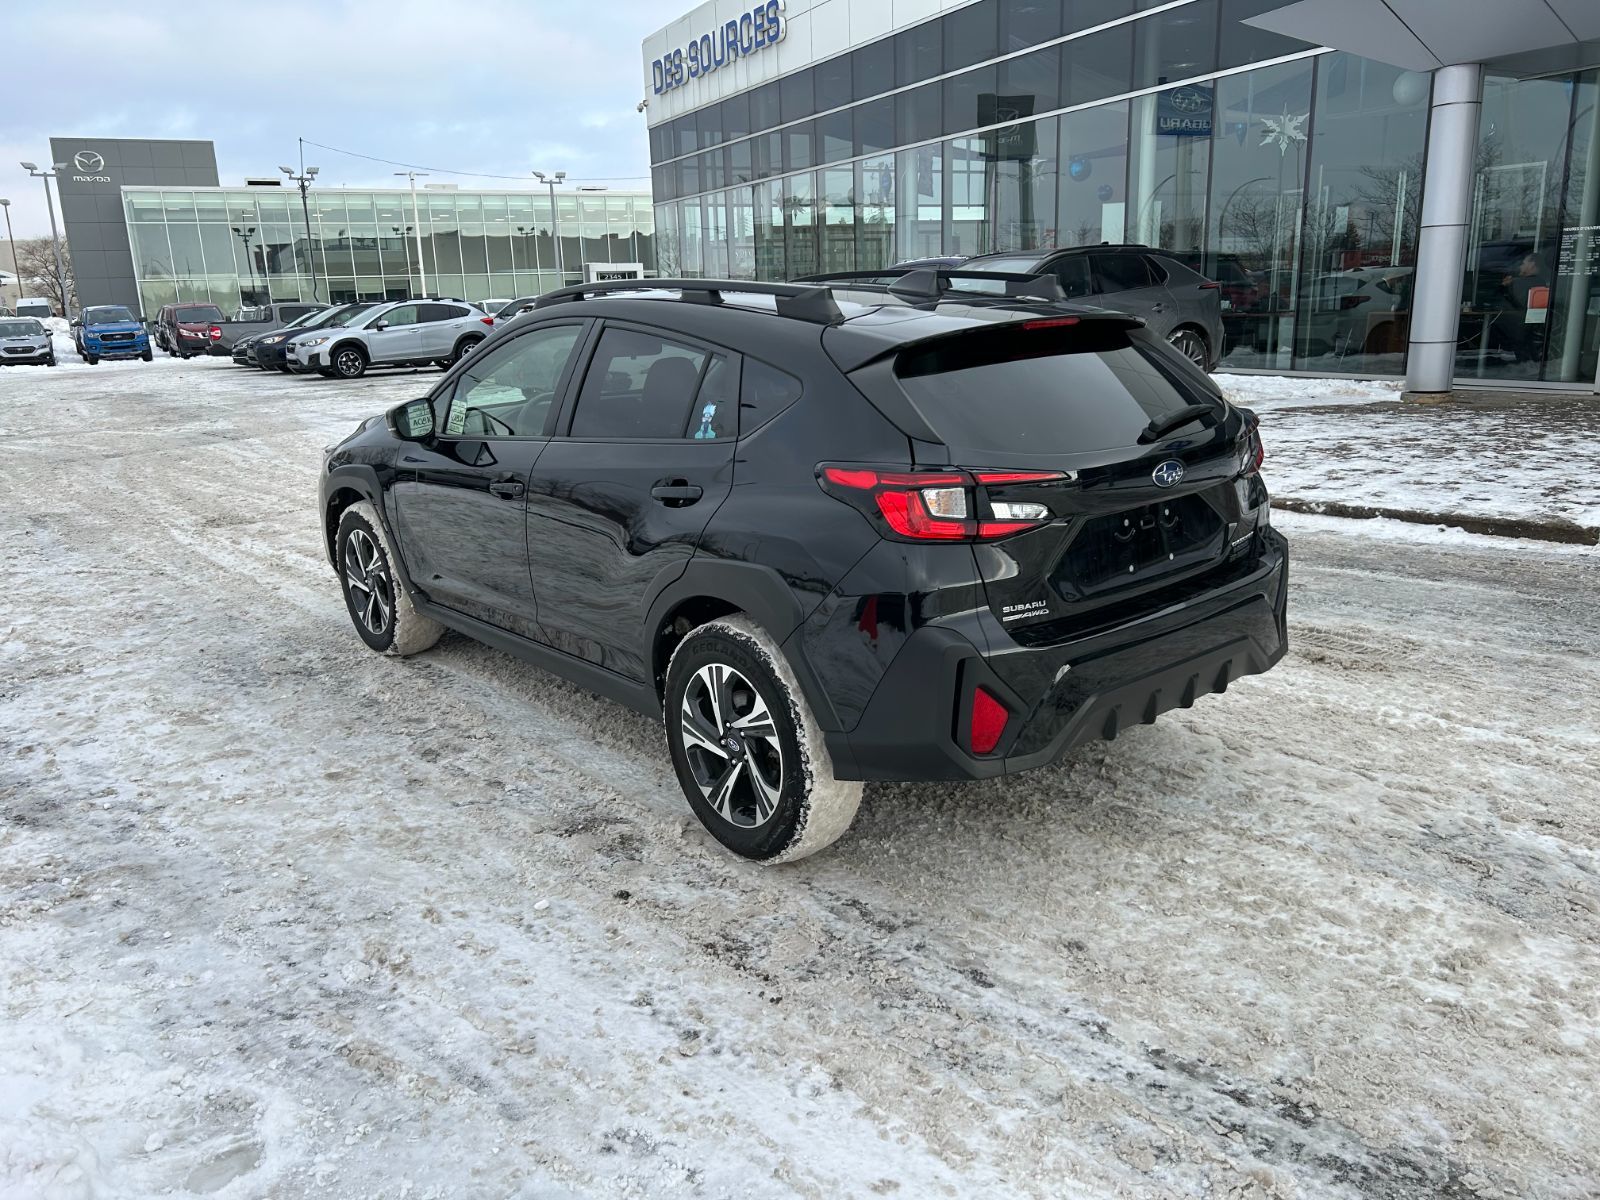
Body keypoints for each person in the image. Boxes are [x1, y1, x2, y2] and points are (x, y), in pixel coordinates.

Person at [1497, 253, 1548, 363]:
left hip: (1516, 328)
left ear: (1532, 264)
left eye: (1523, 263)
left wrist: (1504, 286)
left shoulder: (1518, 283)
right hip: (1531, 328)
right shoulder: (1541, 282)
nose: (1521, 266)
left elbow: (1506, 301)